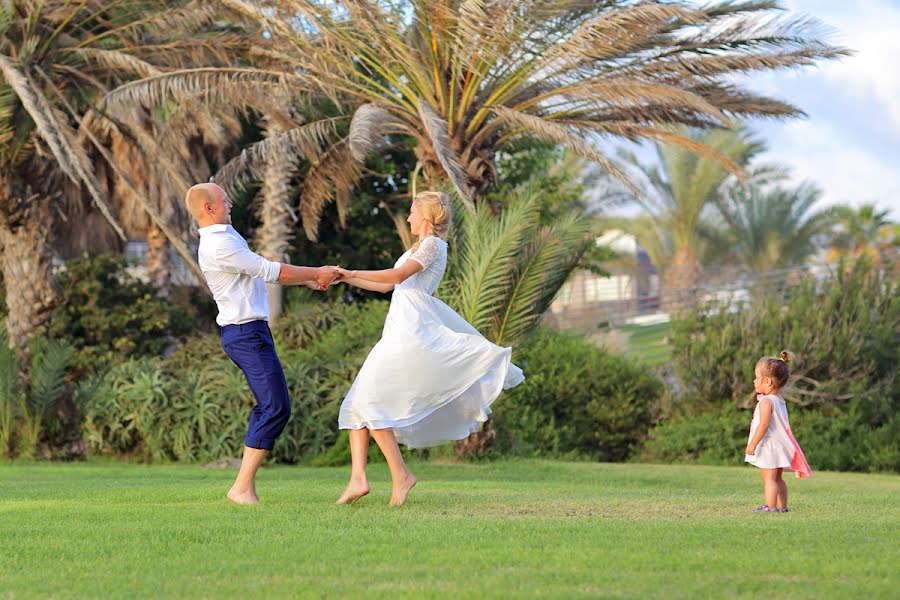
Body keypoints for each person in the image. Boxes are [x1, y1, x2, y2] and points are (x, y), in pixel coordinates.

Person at [332, 191, 525, 506]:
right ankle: (361, 479)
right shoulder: (418, 247)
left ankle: (394, 477)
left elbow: (397, 276)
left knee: (369, 402)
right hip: (399, 329)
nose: (408, 217)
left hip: (411, 332)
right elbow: (387, 284)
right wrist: (346, 279)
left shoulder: (434, 245)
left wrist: (352, 272)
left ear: (424, 216)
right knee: (359, 403)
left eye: (411, 212)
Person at [185, 182, 337, 505]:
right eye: (224, 201)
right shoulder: (219, 246)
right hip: (245, 334)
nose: (230, 205)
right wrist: (318, 271)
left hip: (251, 332)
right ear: (209, 208)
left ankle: (243, 487)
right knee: (275, 407)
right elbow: (269, 271)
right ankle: (241, 488)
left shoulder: (226, 238)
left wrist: (309, 279)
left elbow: (258, 271)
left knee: (274, 405)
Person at [745, 351, 812, 513]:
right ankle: (782, 507)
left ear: (767, 382)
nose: (754, 381)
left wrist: (753, 443)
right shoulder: (780, 400)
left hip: (769, 447)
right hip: (779, 447)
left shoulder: (766, 402)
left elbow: (764, 425)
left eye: (757, 377)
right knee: (778, 479)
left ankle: (770, 506)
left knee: (768, 479)